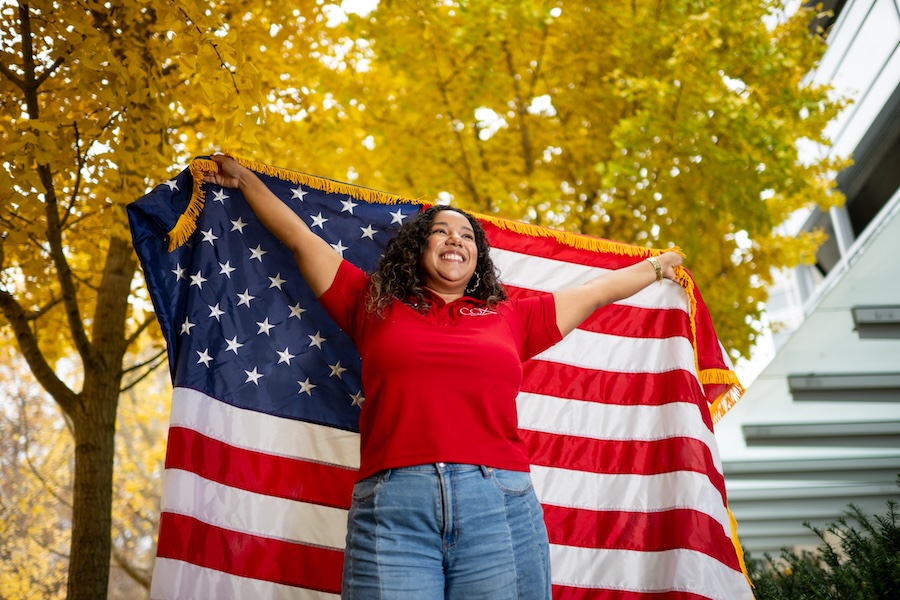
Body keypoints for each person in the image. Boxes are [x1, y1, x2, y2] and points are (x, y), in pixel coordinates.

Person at [204, 154, 684, 600]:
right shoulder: (371, 303)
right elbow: (300, 239)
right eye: (441, 230)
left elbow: (598, 292)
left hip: (498, 503)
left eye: (467, 235)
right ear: (419, 247)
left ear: (477, 257)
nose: (455, 238)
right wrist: (244, 180)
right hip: (393, 508)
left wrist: (658, 268)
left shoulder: (513, 317)